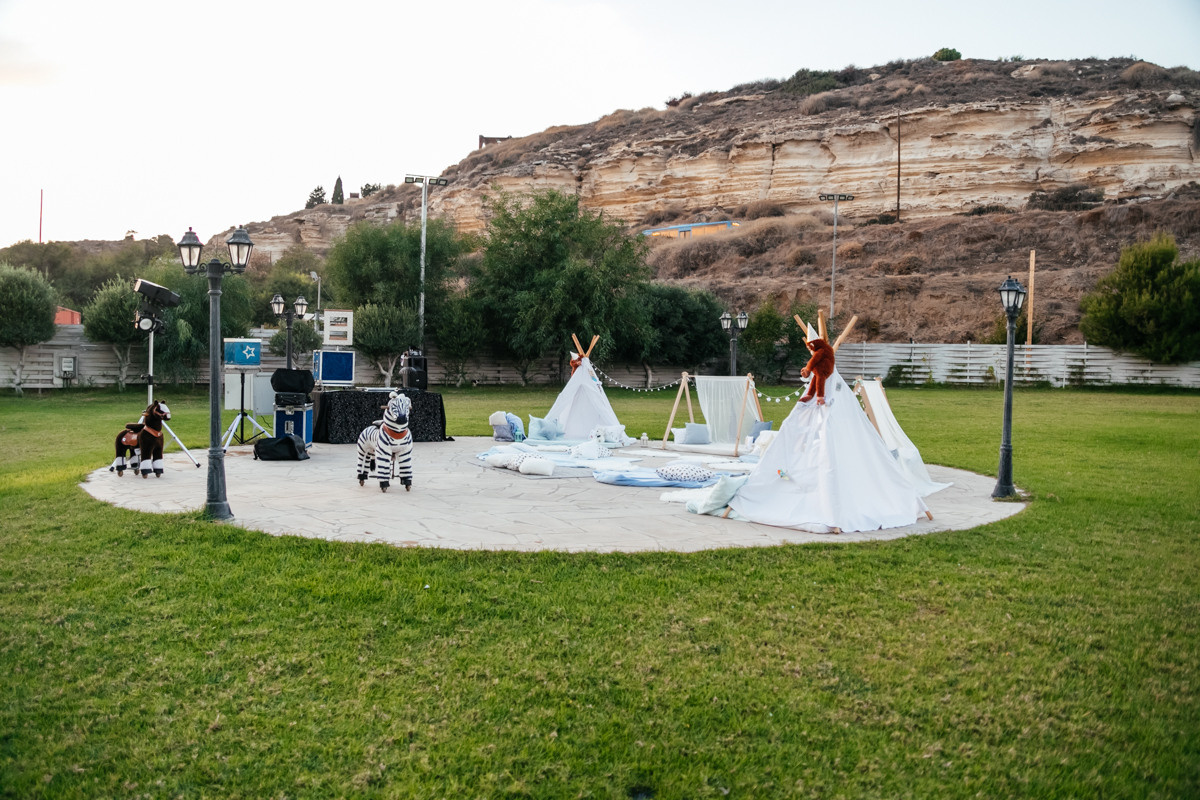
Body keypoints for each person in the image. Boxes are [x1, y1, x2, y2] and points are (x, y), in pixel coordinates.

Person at [799, 337, 835, 404]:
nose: (810, 350)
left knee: (819, 380)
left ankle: (820, 397)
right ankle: (810, 394)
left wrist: (807, 369)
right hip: (827, 368)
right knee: (814, 379)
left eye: (810, 348)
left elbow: (813, 361)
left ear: (813, 345)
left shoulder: (820, 351)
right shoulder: (827, 348)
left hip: (822, 369)